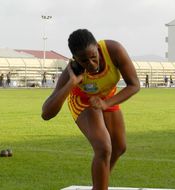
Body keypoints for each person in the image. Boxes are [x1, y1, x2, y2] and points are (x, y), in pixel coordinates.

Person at [41, 29, 140, 190]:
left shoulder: (114, 50)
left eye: (94, 57)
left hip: (107, 97)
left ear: (97, 47)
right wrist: (71, 84)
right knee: (103, 147)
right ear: (75, 59)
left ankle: (99, 186)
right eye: (84, 61)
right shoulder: (71, 71)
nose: (91, 64)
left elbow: (134, 85)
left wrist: (107, 104)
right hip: (83, 100)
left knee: (119, 147)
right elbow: (46, 113)